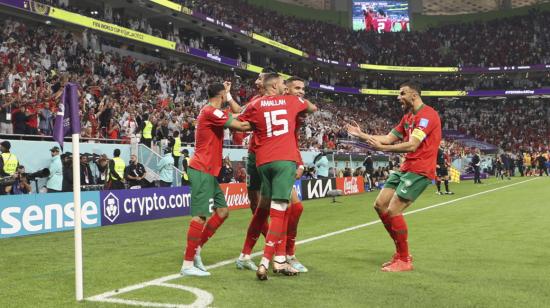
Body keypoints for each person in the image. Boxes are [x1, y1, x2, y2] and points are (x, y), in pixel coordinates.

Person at [345, 81, 441, 272]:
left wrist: (384, 149)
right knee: (380, 205)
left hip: (420, 169)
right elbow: (388, 138)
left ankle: (405, 259)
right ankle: (400, 253)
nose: (398, 97)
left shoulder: (427, 115)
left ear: (414, 95)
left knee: (394, 210)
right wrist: (361, 134)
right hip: (406, 167)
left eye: (402, 93)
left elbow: (412, 145)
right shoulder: (407, 117)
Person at [238, 73, 317, 280]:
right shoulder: (290, 102)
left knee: (268, 208)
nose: (301, 92)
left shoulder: (259, 103)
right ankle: (280, 257)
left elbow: (240, 121)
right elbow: (311, 107)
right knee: (276, 209)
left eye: (303, 89)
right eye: (296, 88)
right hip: (271, 157)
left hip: (267, 158)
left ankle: (249, 254)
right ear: (283, 87)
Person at [180, 82, 251, 277]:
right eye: (225, 96)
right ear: (220, 96)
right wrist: (265, 120)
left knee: (223, 211)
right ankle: (187, 265)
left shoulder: (214, 112)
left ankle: (197, 248)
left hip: (209, 171)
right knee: (200, 216)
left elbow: (240, 114)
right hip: (201, 168)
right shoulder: (211, 111)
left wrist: (229, 96)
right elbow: (243, 124)